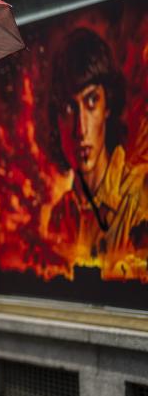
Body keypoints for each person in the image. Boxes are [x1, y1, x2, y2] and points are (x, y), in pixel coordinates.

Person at [44, 28, 148, 280]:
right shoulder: (61, 215)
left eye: (91, 102)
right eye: (70, 108)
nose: (81, 128)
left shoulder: (140, 195)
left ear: (108, 106)